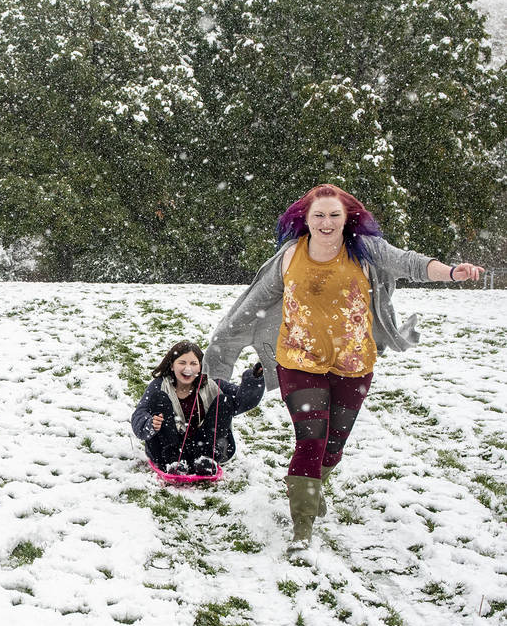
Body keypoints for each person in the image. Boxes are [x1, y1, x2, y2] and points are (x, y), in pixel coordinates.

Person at [204, 183, 484, 552]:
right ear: (305, 219)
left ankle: (315, 485)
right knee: (311, 441)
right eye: (318, 215)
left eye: (334, 215)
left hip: (354, 363)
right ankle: (302, 529)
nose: (326, 222)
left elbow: (411, 263)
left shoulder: (366, 251)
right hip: (299, 361)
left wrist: (451, 273)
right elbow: (251, 305)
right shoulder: (290, 257)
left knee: (333, 447)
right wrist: (223, 345)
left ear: (346, 218)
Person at [131, 340, 265, 475]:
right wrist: (150, 423)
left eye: (193, 363)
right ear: (172, 365)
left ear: (201, 366)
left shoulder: (212, 384)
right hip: (167, 448)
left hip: (203, 444)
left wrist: (254, 379)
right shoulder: (159, 385)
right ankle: (174, 461)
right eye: (182, 363)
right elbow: (139, 414)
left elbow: (241, 401)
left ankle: (206, 458)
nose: (187, 368)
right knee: (158, 398)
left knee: (225, 400)